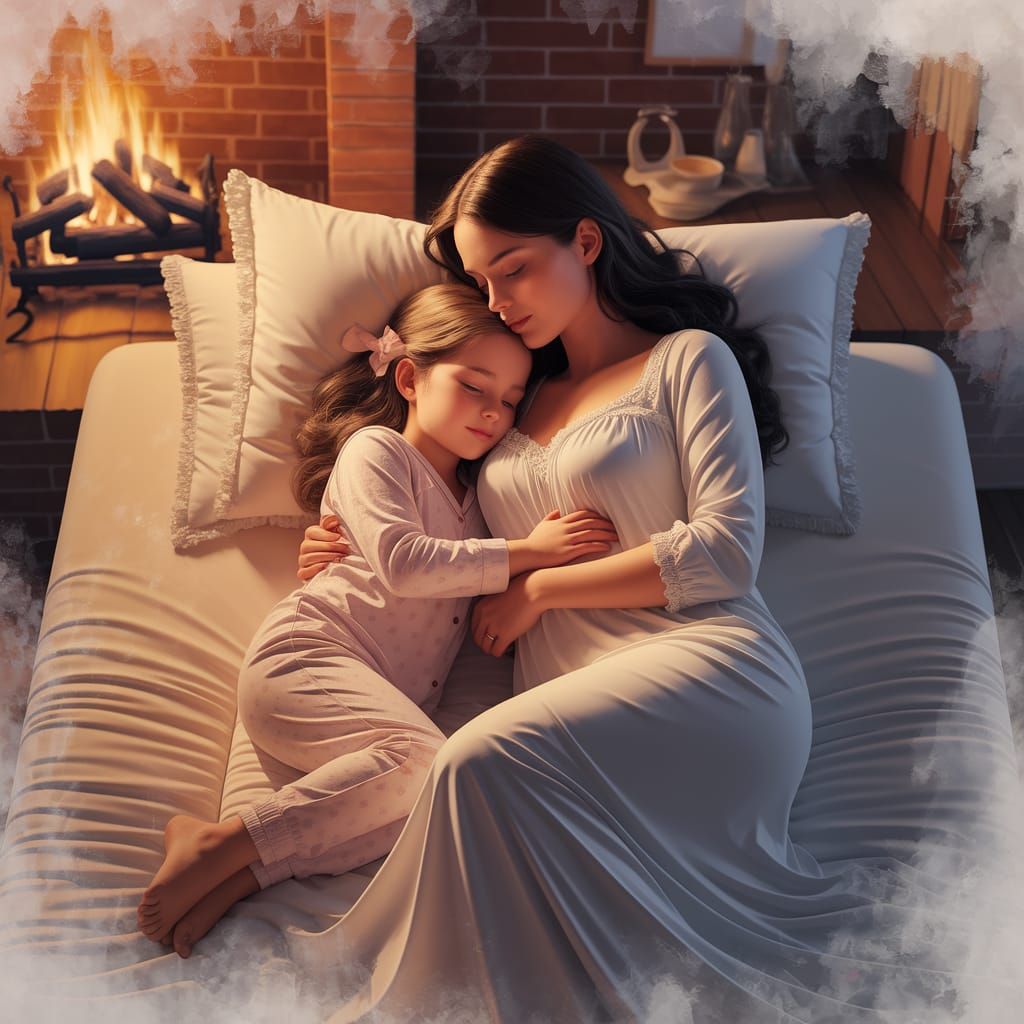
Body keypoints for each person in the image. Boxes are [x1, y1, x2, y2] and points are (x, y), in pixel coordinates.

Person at [293, 136, 971, 1024]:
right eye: (480, 281)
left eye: (514, 270)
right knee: (504, 816)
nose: (496, 301)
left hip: (712, 671)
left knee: (470, 767)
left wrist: (539, 590)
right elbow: (432, 515)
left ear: (584, 241)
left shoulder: (688, 360)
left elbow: (727, 553)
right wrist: (340, 535)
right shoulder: (510, 399)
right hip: (573, 695)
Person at [134, 282, 619, 959]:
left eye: (510, 400)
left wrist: (527, 586)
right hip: (307, 662)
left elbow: (457, 577)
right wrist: (530, 552)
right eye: (475, 387)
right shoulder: (378, 451)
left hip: (363, 715)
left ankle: (244, 869)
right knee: (425, 762)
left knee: (433, 804)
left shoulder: (479, 501)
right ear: (410, 378)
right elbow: (406, 563)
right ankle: (230, 839)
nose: (493, 413)